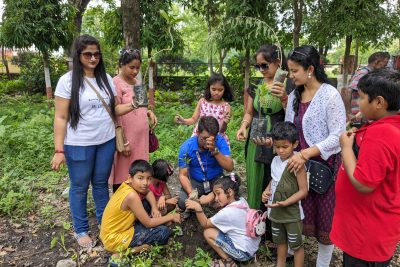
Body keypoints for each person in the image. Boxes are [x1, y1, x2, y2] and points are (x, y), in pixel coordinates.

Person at [50, 35, 138, 248]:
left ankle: (104, 222)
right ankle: (81, 229)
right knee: (79, 186)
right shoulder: (67, 81)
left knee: (100, 185)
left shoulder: (106, 79)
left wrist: (133, 105)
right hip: (78, 144)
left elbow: (114, 109)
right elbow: (61, 117)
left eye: (96, 54)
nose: (93, 58)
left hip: (106, 141)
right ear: (78, 55)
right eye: (88, 54)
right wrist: (59, 149)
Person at [331, 69, 400, 266]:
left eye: (361, 98)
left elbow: (363, 183)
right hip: (374, 227)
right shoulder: (389, 127)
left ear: (379, 102)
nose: (358, 103)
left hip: (365, 233)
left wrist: (345, 148)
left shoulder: (381, 135)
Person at [285, 45, 346, 267]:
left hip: (323, 165)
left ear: (310, 69)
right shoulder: (294, 94)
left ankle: (322, 263)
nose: (291, 76)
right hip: (298, 164)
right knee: (297, 209)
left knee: (325, 217)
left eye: (294, 71)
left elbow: (338, 135)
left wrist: (307, 152)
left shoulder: (329, 96)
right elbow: (290, 129)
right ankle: (294, 251)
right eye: (289, 71)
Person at [236, 44, 290, 210]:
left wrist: (284, 98)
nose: (261, 69)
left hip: (277, 139)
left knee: (272, 176)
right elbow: (249, 113)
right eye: (257, 66)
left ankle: (272, 226)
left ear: (277, 62)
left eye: (264, 65)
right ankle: (254, 219)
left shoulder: (287, 84)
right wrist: (244, 126)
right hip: (255, 137)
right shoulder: (255, 86)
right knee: (255, 176)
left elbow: (292, 115)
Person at [100, 160, 181, 258]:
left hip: (115, 231)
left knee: (147, 203)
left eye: (148, 179)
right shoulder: (131, 196)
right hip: (114, 239)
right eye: (140, 178)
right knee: (163, 232)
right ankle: (128, 251)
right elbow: (148, 223)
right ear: (130, 178)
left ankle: (153, 223)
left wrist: (154, 208)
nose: (145, 183)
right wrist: (171, 216)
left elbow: (148, 192)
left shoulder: (127, 184)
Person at [185, 174, 261, 267]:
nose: (216, 198)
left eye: (218, 193)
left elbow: (205, 224)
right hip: (252, 247)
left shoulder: (227, 213)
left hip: (243, 253)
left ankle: (228, 261)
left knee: (208, 232)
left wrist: (198, 208)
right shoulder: (241, 201)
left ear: (230, 192)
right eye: (215, 194)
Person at [111, 49, 158, 192]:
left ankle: (140, 201)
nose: (135, 71)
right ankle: (122, 204)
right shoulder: (115, 83)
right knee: (123, 172)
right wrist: (123, 141)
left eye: (137, 67)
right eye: (132, 67)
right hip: (126, 136)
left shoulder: (138, 83)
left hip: (141, 136)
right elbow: (114, 111)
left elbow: (142, 105)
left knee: (141, 170)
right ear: (121, 64)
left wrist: (149, 112)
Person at [261, 122, 308, 267]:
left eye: (284, 146)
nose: (280, 150)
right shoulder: (275, 160)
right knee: (280, 242)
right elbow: (274, 180)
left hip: (291, 214)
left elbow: (303, 191)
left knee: (296, 245)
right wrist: (267, 190)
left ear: (295, 144)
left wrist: (286, 203)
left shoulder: (297, 164)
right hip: (275, 212)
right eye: (277, 146)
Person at [177, 116, 233, 212]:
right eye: (204, 138)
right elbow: (183, 175)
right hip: (196, 181)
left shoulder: (220, 141)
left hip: (216, 179)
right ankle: (211, 199)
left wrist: (215, 151)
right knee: (182, 201)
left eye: (212, 139)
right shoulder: (186, 148)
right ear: (197, 133)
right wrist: (191, 193)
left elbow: (230, 167)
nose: (208, 142)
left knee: (231, 191)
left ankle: (212, 198)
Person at [174, 72, 233, 144]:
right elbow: (193, 119)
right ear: (209, 88)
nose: (217, 92)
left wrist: (225, 122)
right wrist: (183, 120)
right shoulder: (202, 102)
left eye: (220, 90)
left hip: (215, 140)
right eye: (213, 89)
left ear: (225, 90)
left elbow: (222, 130)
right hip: (200, 137)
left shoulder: (226, 107)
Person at [345, 51, 390, 120]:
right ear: (376, 62)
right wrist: (349, 112)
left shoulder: (371, 74)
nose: (384, 67)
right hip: (357, 115)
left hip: (364, 114)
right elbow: (348, 91)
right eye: (383, 65)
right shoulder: (363, 73)